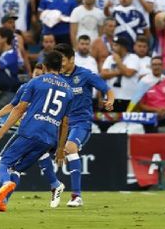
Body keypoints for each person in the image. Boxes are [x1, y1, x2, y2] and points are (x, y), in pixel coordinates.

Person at [0, 50, 73, 212]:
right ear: (60, 68)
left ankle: (4, 184)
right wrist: (60, 148)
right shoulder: (68, 90)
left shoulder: (36, 82)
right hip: (49, 139)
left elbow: (18, 109)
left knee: (3, 164)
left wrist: (1, 132)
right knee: (16, 170)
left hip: (30, 131)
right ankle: (2, 202)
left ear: (44, 66)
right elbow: (65, 123)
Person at [53, 43, 114, 207]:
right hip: (61, 124)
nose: (60, 63)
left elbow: (107, 88)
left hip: (81, 122)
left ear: (72, 59)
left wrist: (111, 100)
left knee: (70, 148)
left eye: (63, 60)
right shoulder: (56, 77)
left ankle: (76, 196)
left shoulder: (85, 75)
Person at [101, 36, 139, 112]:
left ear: (123, 47)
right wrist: (119, 71)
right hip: (110, 99)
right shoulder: (109, 58)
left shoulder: (133, 58)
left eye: (116, 45)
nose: (113, 48)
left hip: (128, 98)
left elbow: (128, 73)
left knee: (127, 123)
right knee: (107, 123)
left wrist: (118, 62)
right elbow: (103, 74)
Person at [139, 56, 165, 122]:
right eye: (154, 65)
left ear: (163, 66)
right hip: (150, 118)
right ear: (151, 67)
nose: (157, 67)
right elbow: (141, 105)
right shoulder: (144, 82)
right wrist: (156, 110)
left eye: (159, 64)